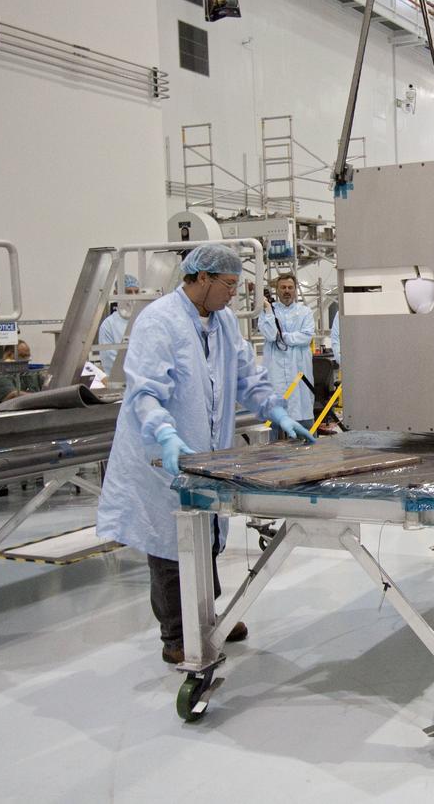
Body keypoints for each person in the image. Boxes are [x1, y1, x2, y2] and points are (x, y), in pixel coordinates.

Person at [96, 243, 315, 665]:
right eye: (229, 284)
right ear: (202, 278)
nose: (234, 293)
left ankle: (208, 618)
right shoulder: (159, 320)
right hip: (164, 452)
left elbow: (247, 376)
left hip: (207, 451)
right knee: (170, 542)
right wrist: (165, 434)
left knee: (206, 534)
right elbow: (144, 391)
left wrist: (276, 411)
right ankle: (176, 635)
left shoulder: (224, 321)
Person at [259, 273, 316, 429]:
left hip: (298, 368)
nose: (287, 291)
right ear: (277, 290)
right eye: (283, 287)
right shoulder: (267, 311)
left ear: (295, 290)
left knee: (301, 410)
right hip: (275, 370)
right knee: (275, 413)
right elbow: (270, 335)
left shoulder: (305, 312)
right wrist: (268, 310)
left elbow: (306, 337)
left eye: (290, 287)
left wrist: (282, 337)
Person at [0, 339, 43, 410]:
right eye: (22, 356)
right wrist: (42, 398)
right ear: (8, 356)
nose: (26, 360)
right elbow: (14, 397)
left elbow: (48, 385)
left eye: (28, 356)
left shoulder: (29, 372)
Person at [98, 274, 140, 377]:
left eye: (136, 292)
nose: (133, 296)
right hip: (120, 381)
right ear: (116, 294)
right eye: (128, 292)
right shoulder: (108, 325)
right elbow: (111, 362)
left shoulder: (144, 320)